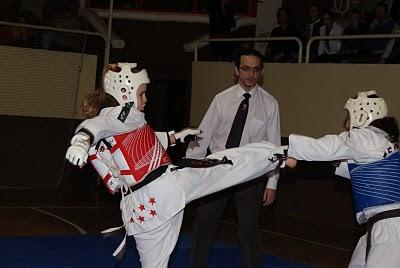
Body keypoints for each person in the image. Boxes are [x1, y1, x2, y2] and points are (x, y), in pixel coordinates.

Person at [65, 62, 288, 268]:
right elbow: (93, 126)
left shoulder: (129, 121)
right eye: (142, 93)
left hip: (144, 206)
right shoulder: (116, 117)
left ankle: (276, 153)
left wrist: (177, 136)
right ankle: (279, 152)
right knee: (225, 167)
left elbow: (147, 140)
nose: (145, 100)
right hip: (161, 189)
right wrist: (80, 142)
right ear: (125, 93)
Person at [280, 90, 400, 268]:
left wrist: (286, 149)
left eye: (349, 116)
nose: (345, 122)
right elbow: (346, 168)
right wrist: (298, 161)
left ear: (361, 114)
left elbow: (328, 148)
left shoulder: (366, 137)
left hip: (390, 228)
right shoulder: (380, 139)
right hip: (383, 225)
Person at [186, 49, 280, 268]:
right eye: (246, 68)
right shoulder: (221, 99)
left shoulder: (270, 104)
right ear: (236, 69)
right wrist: (191, 170)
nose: (250, 74)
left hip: (250, 173)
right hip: (216, 169)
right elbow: (202, 136)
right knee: (205, 224)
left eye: (256, 69)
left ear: (261, 72)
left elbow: (274, 147)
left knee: (249, 230)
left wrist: (272, 182)